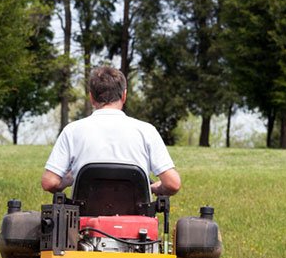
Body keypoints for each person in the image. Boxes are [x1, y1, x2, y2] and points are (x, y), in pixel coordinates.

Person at [41, 66, 181, 196]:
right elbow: (173, 184)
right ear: (124, 96)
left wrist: (68, 180)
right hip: (136, 218)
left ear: (91, 97)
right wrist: (154, 188)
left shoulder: (72, 131)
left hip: (85, 217)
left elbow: (49, 182)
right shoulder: (146, 131)